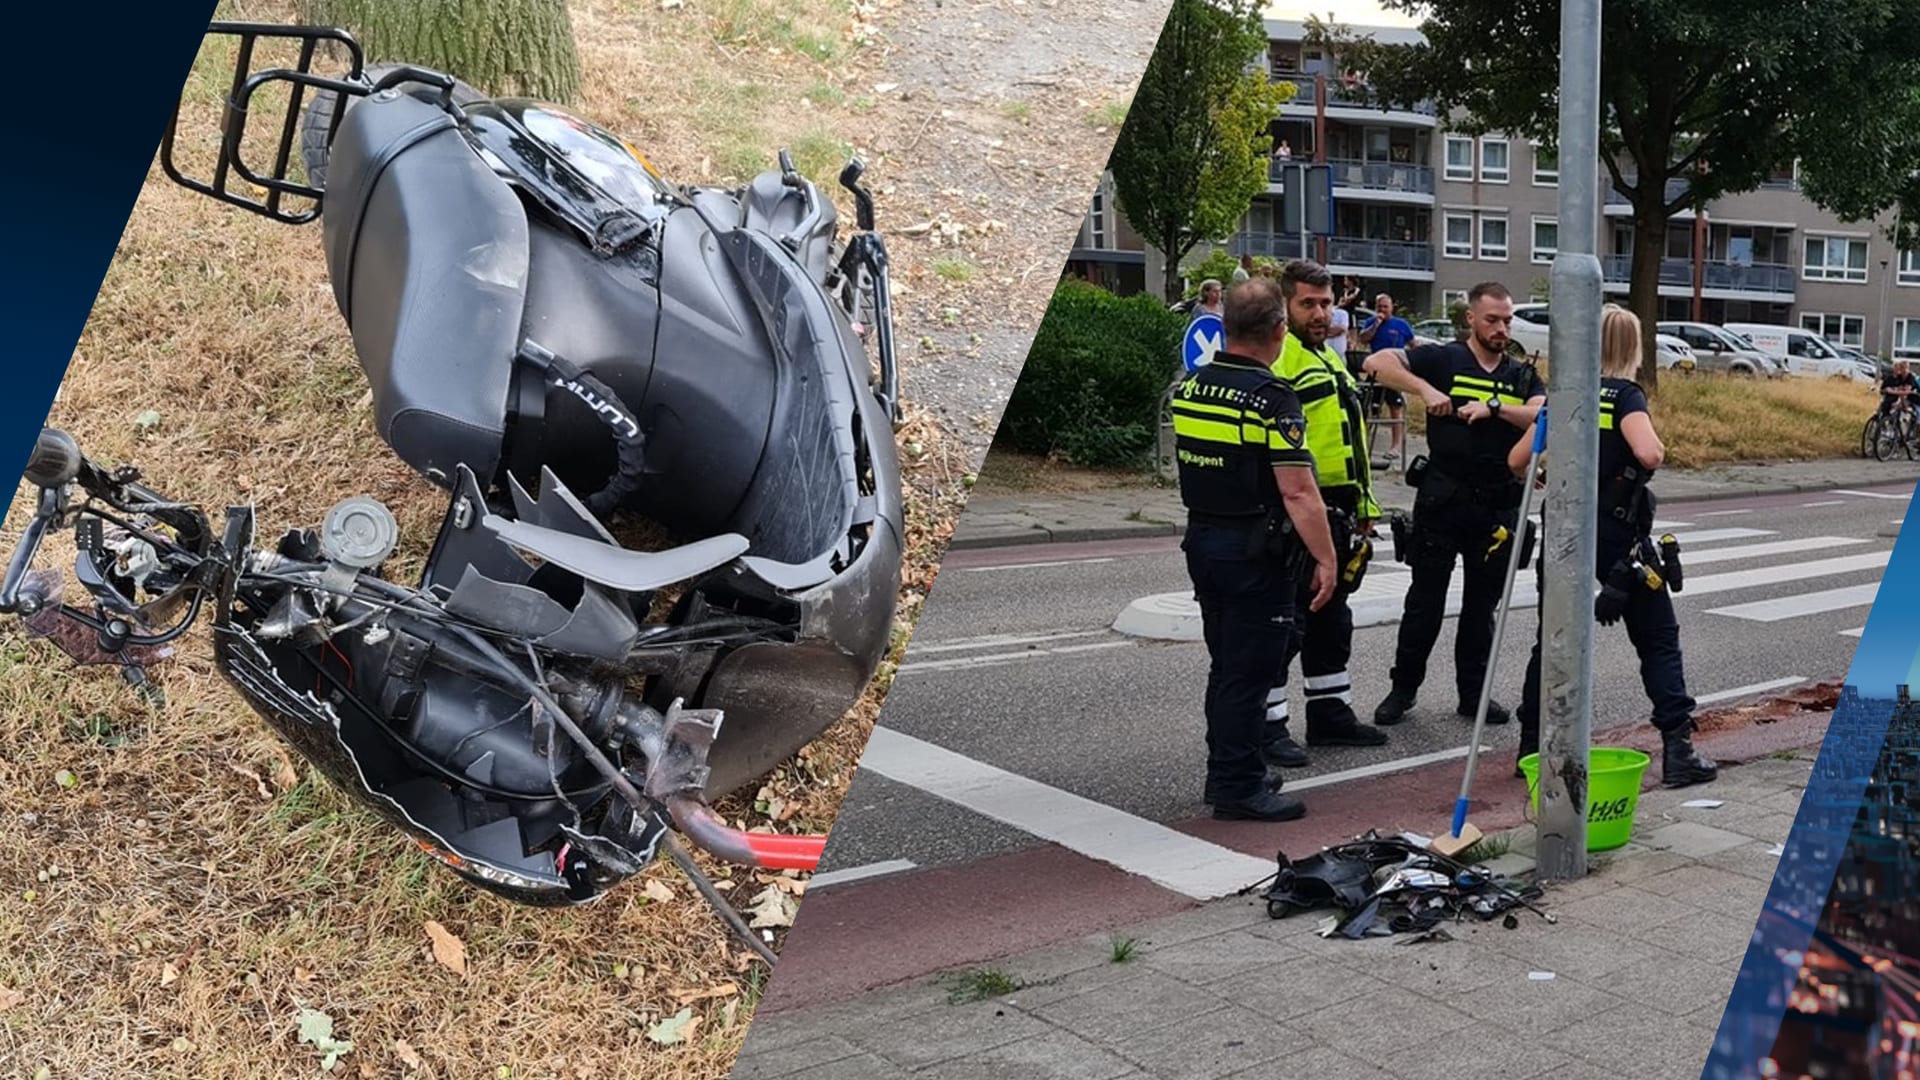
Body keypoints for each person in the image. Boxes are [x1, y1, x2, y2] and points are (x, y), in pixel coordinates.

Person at [1507, 305, 1718, 788]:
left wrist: (1546, 468)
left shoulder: (1561, 396)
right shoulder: (1625, 395)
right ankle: (1678, 750)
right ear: (1632, 347)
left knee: (1553, 638)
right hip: (1619, 539)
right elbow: (1649, 452)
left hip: (1564, 533)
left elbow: (1517, 461)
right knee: (1657, 640)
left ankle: (1531, 747)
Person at [1172, 277, 1340, 821]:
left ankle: (1229, 767)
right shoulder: (1271, 398)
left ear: (1225, 328)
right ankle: (1238, 786)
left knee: (1226, 666)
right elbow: (1296, 489)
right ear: (1278, 329)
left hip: (1204, 539)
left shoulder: (1192, 386)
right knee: (1251, 672)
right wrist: (1326, 556)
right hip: (1254, 549)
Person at [1361, 281, 1545, 729]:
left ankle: (1474, 694)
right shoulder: (1443, 358)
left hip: (1498, 506)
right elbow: (1375, 362)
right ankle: (1403, 690)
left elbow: (1543, 412)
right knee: (1424, 602)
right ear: (1471, 319)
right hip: (1443, 501)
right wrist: (1423, 389)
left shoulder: (1519, 373)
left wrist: (1495, 407)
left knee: (1482, 608)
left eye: (1506, 320)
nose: (1502, 329)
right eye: (1492, 320)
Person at [1259, 260, 1391, 768]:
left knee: (1331, 618)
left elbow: (1349, 438)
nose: (1319, 313)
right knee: (1285, 623)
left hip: (1338, 506)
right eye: (1307, 304)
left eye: (1326, 303)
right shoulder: (1280, 359)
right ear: (1285, 306)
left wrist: (1364, 507)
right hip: (1301, 507)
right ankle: (1269, 727)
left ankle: (1330, 712)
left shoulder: (1329, 357)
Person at [1358, 295, 1416, 462]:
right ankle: (1365, 443)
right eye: (1379, 307)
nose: (1382, 310)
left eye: (1385, 307)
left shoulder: (1401, 325)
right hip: (1375, 370)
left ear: (1392, 307)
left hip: (1394, 371)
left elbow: (1413, 344)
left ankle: (1396, 445)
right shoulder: (1371, 322)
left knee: (1395, 408)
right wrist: (1375, 325)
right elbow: (1363, 339)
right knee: (1370, 408)